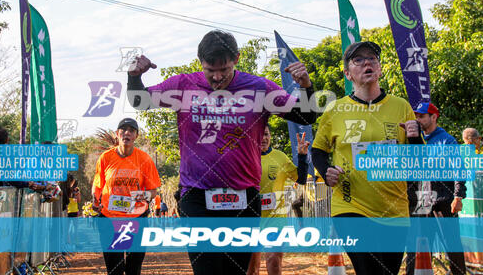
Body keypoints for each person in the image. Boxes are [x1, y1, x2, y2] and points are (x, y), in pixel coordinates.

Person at [127, 30, 317, 275]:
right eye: (210, 70)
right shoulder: (183, 85)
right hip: (196, 195)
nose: (217, 77)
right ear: (200, 62)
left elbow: (305, 115)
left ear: (236, 59)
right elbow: (139, 101)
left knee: (235, 271)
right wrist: (134, 78)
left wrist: (306, 87)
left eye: (224, 70)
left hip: (243, 197)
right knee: (207, 270)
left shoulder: (259, 88)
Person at [311, 41, 422, 275]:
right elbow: (318, 150)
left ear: (380, 69)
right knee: (369, 270)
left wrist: (414, 138)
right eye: (358, 60)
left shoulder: (401, 107)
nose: (367, 63)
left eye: (372, 58)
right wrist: (326, 171)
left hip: (394, 209)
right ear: (347, 73)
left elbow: (415, 164)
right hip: (351, 206)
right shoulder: (335, 110)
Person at [92, 118, 161, 275]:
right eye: (123, 130)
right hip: (110, 218)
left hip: (136, 218)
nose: (127, 133)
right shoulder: (105, 158)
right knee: (114, 268)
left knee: (133, 268)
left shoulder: (144, 159)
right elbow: (97, 185)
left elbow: (153, 191)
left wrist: (142, 195)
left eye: (131, 130)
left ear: (136, 136)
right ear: (117, 134)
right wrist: (95, 200)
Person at [406, 102, 466, 275]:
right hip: (424, 200)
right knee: (420, 245)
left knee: (452, 245)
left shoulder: (447, 140)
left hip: (444, 200)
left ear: (434, 117)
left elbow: (459, 168)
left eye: (422, 116)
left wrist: (458, 196)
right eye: (416, 116)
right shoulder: (418, 141)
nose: (418, 119)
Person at [247, 128, 309, 275]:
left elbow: (301, 179)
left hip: (275, 219)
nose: (263, 138)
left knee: (274, 262)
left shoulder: (280, 157)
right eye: (259, 134)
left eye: (266, 134)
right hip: (250, 218)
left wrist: (302, 156)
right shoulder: (246, 156)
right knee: (251, 270)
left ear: (271, 136)